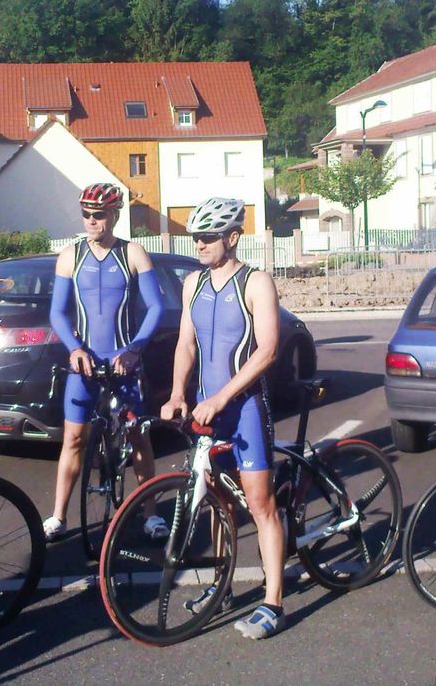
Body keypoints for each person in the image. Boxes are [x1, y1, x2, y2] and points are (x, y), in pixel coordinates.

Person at [160, 197, 286, 640]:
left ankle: (273, 603)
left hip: (245, 408)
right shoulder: (192, 283)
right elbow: (185, 345)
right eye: (196, 236)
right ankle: (222, 584)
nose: (200, 243)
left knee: (261, 505)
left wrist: (221, 397)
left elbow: (267, 351)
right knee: (216, 502)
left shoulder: (256, 282)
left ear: (233, 238)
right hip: (206, 411)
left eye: (209, 236)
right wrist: (178, 392)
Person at [44, 183, 165, 543]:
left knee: (138, 437)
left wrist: (135, 349)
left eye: (99, 215)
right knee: (74, 439)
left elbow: (155, 307)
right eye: (86, 215)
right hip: (85, 364)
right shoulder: (69, 255)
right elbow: (57, 312)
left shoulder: (134, 253)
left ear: (114, 216)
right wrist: (74, 349)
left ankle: (151, 514)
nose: (92, 222)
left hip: (124, 364)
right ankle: (58, 515)